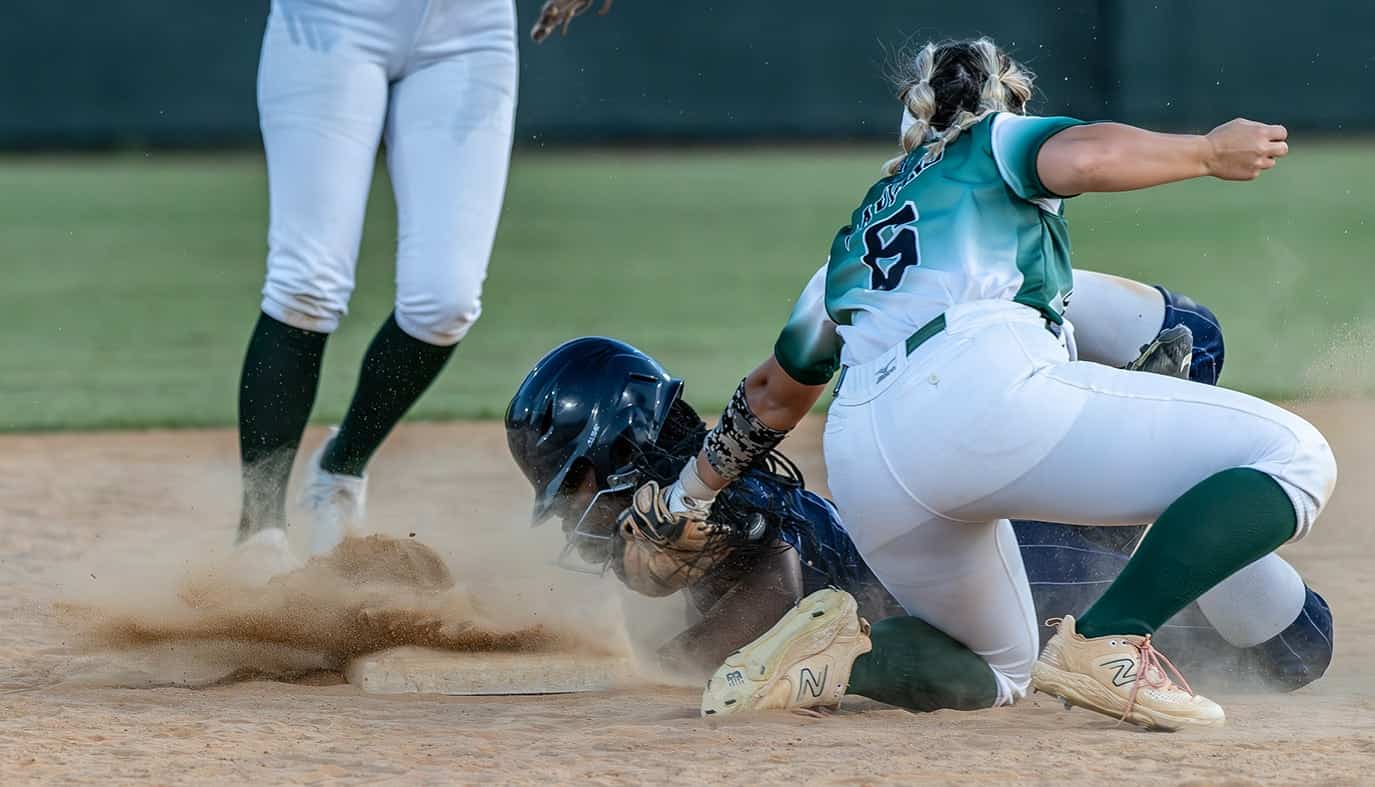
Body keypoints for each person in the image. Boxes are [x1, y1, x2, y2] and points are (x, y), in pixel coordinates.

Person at [610, 39, 1335, 730]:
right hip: (979, 390)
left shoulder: (851, 246)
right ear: (1004, 102)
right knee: (1297, 455)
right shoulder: (991, 142)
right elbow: (1082, 156)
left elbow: (773, 395)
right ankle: (1110, 640)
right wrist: (1205, 152)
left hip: (867, 455)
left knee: (997, 668)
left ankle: (838, 657)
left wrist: (686, 495)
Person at [505, 328, 1333, 699]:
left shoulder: (734, 510)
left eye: (581, 485)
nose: (581, 514)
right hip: (962, 569)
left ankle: (1150, 469)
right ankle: (1132, 482)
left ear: (630, 451)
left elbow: (770, 587)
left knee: (1297, 650)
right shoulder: (701, 507)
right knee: (1281, 647)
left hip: (995, 580)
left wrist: (678, 651)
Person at [234, 0, 616, 572]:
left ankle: (340, 469)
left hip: (469, 30)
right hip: (331, 21)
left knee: (446, 301)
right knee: (305, 284)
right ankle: (259, 530)